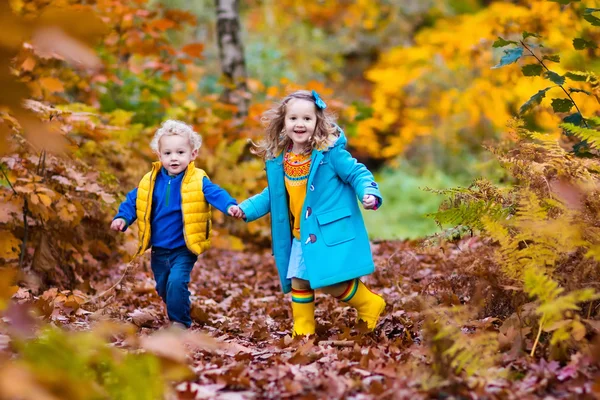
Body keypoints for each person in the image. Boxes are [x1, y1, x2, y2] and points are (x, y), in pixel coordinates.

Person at [237, 90, 385, 336]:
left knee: (329, 281)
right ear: (283, 123)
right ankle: (303, 330)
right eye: (293, 118)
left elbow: (357, 173)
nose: (300, 124)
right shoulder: (281, 159)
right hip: (300, 234)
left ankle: (369, 303)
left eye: (307, 118)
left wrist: (368, 192)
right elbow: (273, 195)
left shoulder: (330, 154)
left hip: (326, 231)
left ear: (318, 123)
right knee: (300, 280)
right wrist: (246, 209)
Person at [110, 120, 244, 328]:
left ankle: (180, 323)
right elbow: (134, 200)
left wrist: (229, 206)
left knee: (177, 282)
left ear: (193, 154)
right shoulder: (150, 181)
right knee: (163, 286)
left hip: (184, 247)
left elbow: (215, 193)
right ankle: (180, 305)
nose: (174, 158)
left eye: (180, 152)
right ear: (159, 155)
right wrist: (122, 218)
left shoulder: (197, 180)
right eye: (168, 153)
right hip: (159, 249)